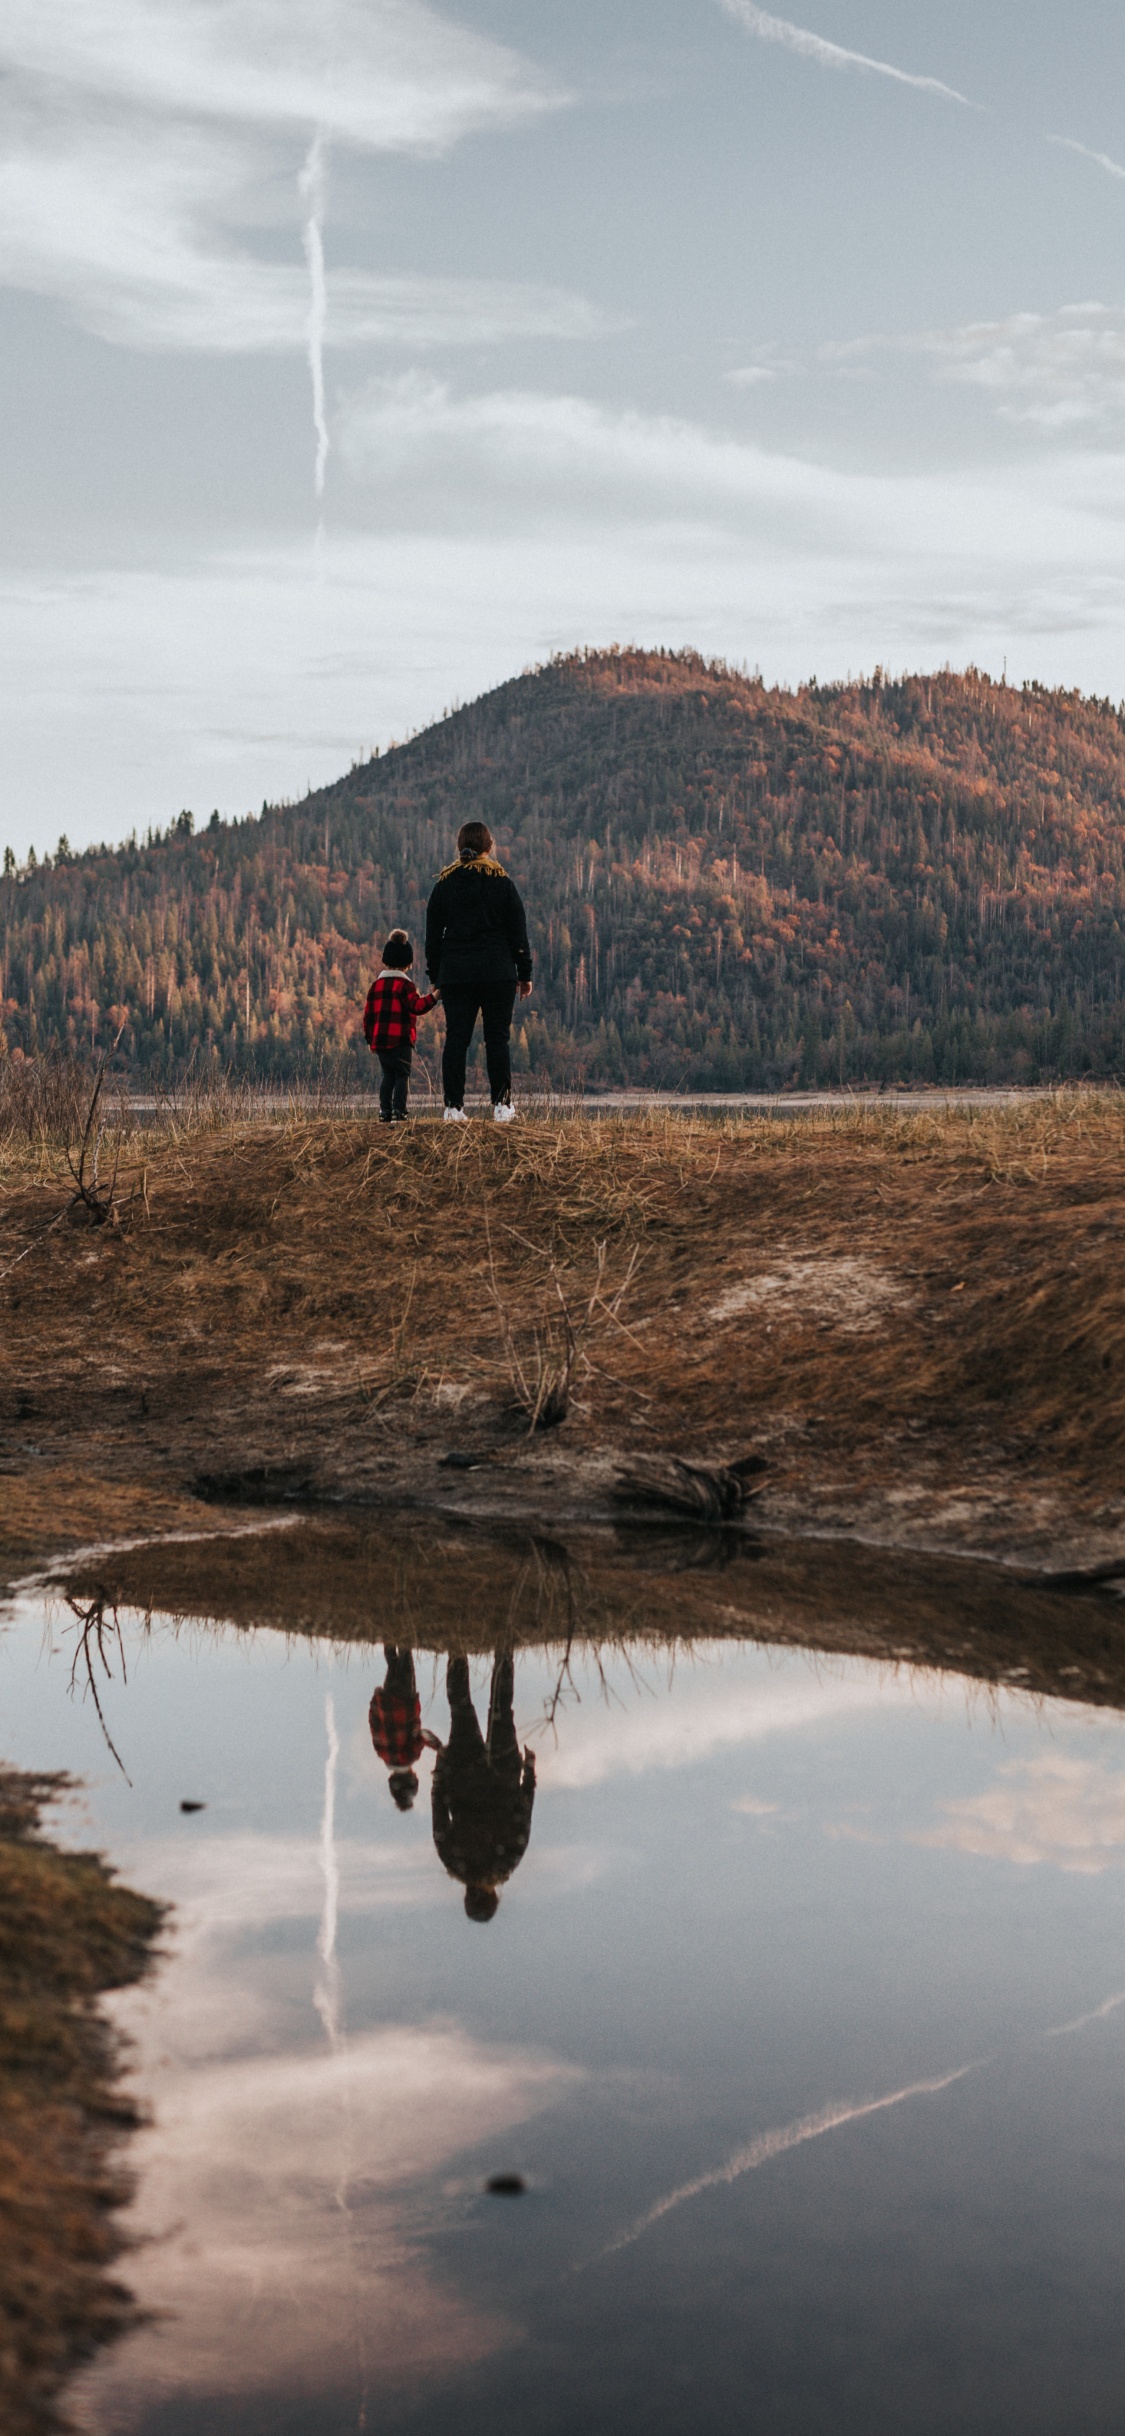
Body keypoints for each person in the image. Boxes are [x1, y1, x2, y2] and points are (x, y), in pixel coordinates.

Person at [424, 821, 532, 1124]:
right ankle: (502, 1106)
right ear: (489, 846)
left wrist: (436, 977)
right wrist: (525, 974)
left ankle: (453, 1108)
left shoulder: (444, 884)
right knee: (497, 1039)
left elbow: (432, 937)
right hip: (498, 972)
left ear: (460, 847)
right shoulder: (502, 882)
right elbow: (518, 934)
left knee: (456, 1039)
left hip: (457, 974)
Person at [431, 1653, 536, 1920]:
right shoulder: (453, 1862)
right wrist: (441, 1767)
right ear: (467, 1897)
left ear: (493, 1897)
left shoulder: (507, 1863)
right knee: (460, 1707)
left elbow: (523, 1814)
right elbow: (439, 1808)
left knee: (501, 1707)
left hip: (503, 1775)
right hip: (463, 1775)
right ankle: (457, 1648)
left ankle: (504, 1648)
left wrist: (529, 1772)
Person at [362, 929, 439, 1123]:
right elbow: (417, 1006)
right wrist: (435, 997)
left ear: (385, 962)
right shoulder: (405, 986)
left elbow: (368, 1016)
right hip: (401, 1039)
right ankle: (400, 1110)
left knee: (388, 1075)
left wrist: (370, 1040)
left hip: (380, 1041)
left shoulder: (375, 986)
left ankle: (384, 1111)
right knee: (402, 1075)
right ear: (408, 964)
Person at [368, 1645, 439, 1810]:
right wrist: (376, 1702)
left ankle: (405, 1632)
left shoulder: (410, 1757)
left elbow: (422, 1735)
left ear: (412, 1780)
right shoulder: (382, 1753)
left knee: (406, 1658)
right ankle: (389, 1635)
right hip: (386, 1701)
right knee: (392, 1665)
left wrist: (438, 1747)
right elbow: (373, 1723)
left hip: (406, 1702)